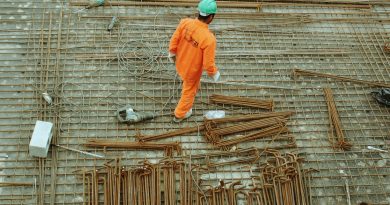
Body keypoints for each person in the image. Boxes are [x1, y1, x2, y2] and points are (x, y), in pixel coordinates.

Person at [168, 0, 220, 122]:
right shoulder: (209, 39)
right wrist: (214, 73)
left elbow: (174, 39)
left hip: (180, 62)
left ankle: (192, 84)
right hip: (191, 71)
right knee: (189, 91)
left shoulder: (185, 22)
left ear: (198, 12)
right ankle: (180, 114)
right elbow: (208, 64)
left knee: (188, 82)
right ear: (211, 17)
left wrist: (172, 52)